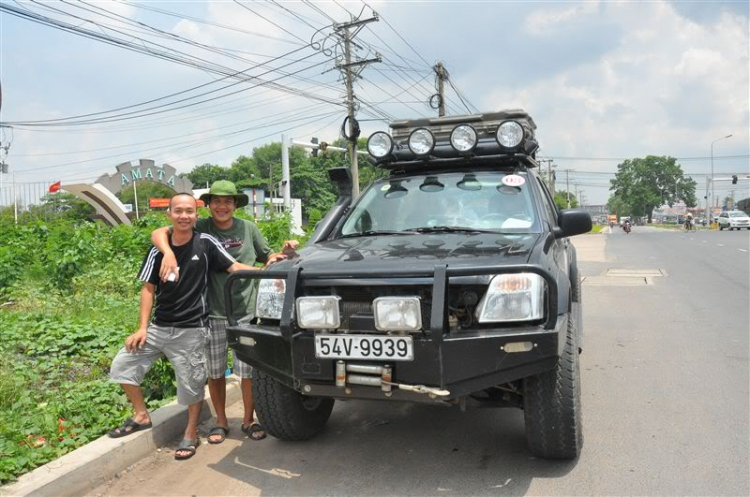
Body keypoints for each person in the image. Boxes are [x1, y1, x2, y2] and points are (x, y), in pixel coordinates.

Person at [108, 193, 256, 461]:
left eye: (189, 211)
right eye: (178, 211)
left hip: (192, 329)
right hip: (159, 327)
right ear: (170, 215)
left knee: (191, 385)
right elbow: (148, 289)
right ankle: (141, 415)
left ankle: (190, 433)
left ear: (196, 215)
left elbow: (233, 266)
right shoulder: (157, 249)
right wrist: (142, 327)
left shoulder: (205, 242)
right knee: (122, 366)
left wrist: (268, 271)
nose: (184, 216)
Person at [151, 180, 298, 444]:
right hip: (213, 311)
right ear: (208, 206)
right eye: (217, 201)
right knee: (215, 371)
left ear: (235, 205)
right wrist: (167, 253)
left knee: (248, 370)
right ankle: (220, 420)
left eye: (228, 201)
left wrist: (284, 254)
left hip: (247, 310)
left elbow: (267, 257)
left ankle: (248, 420)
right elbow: (161, 231)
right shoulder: (201, 227)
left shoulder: (248, 228)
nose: (222, 206)